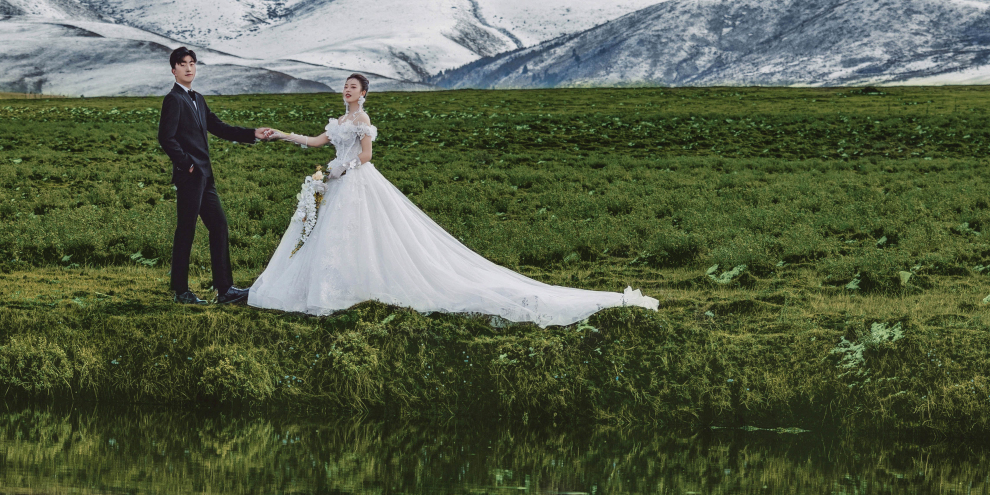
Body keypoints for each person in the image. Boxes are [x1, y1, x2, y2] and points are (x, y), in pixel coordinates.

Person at [251, 73, 658, 326]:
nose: (347, 91)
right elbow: (316, 140)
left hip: (356, 182)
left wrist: (345, 168)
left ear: (364, 94)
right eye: (345, 86)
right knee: (337, 240)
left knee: (365, 236)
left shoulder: (363, 121)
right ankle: (332, 293)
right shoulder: (339, 121)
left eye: (353, 87)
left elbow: (367, 156)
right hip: (341, 183)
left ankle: (354, 292)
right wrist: (281, 135)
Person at [157, 47, 276, 305]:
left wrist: (252, 133)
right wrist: (186, 164)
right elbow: (166, 138)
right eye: (183, 64)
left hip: (205, 178)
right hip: (190, 176)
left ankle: (225, 290)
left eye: (192, 63)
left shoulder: (198, 98)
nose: (189, 68)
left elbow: (218, 127)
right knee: (186, 231)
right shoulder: (173, 99)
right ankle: (181, 292)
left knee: (219, 226)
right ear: (173, 70)